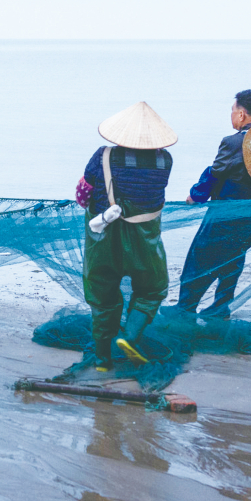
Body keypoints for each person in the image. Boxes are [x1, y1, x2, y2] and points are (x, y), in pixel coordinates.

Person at [76, 102, 176, 369]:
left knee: (102, 294)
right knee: (152, 289)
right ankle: (130, 337)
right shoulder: (165, 160)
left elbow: (82, 196)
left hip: (103, 239)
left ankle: (101, 359)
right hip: (144, 240)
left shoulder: (102, 156)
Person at [177, 90, 251, 317]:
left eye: (233, 110)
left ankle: (185, 308)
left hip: (224, 216)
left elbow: (215, 173)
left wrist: (195, 196)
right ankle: (220, 307)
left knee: (199, 260)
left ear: (242, 115)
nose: (231, 115)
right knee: (233, 262)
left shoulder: (233, 142)